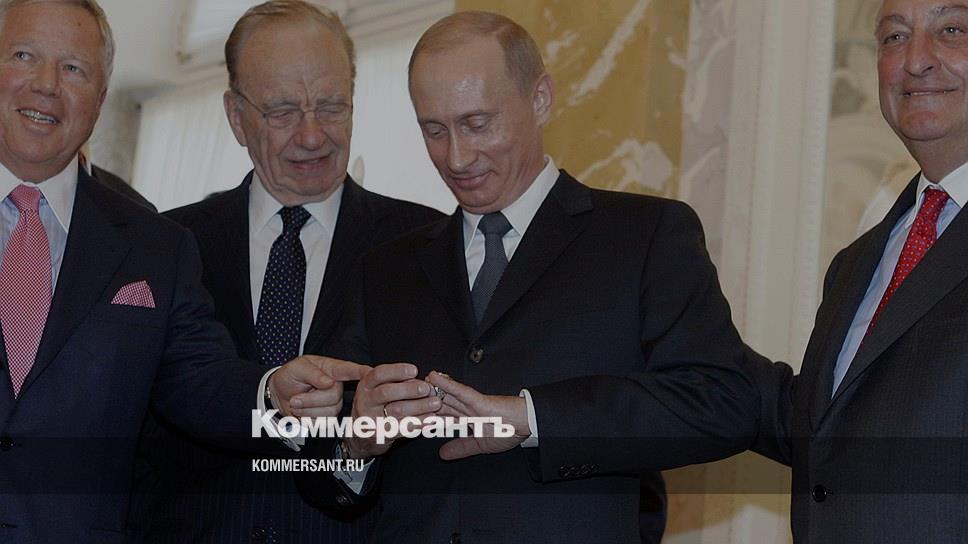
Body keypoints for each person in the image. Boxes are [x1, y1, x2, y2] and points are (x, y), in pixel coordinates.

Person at [428, 0, 968, 541]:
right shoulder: (862, 260)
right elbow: (814, 423)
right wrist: (663, 342)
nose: (915, 59)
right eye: (894, 37)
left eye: (951, 28)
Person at [296, 11, 757, 543]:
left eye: (477, 124)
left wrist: (532, 419)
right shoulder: (384, 270)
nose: (456, 157)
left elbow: (724, 402)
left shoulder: (645, 235)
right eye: (434, 131)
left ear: (540, 99)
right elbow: (316, 474)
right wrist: (356, 443)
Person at [0, 1, 361, 540]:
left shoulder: (155, 245)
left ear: (100, 98)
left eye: (74, 68)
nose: (47, 85)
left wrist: (271, 393)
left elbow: (199, 379)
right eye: (24, 56)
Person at [134, 2, 442, 542]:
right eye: (282, 112)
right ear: (236, 117)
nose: (313, 135)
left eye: (331, 106)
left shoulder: (425, 244)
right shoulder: (166, 244)